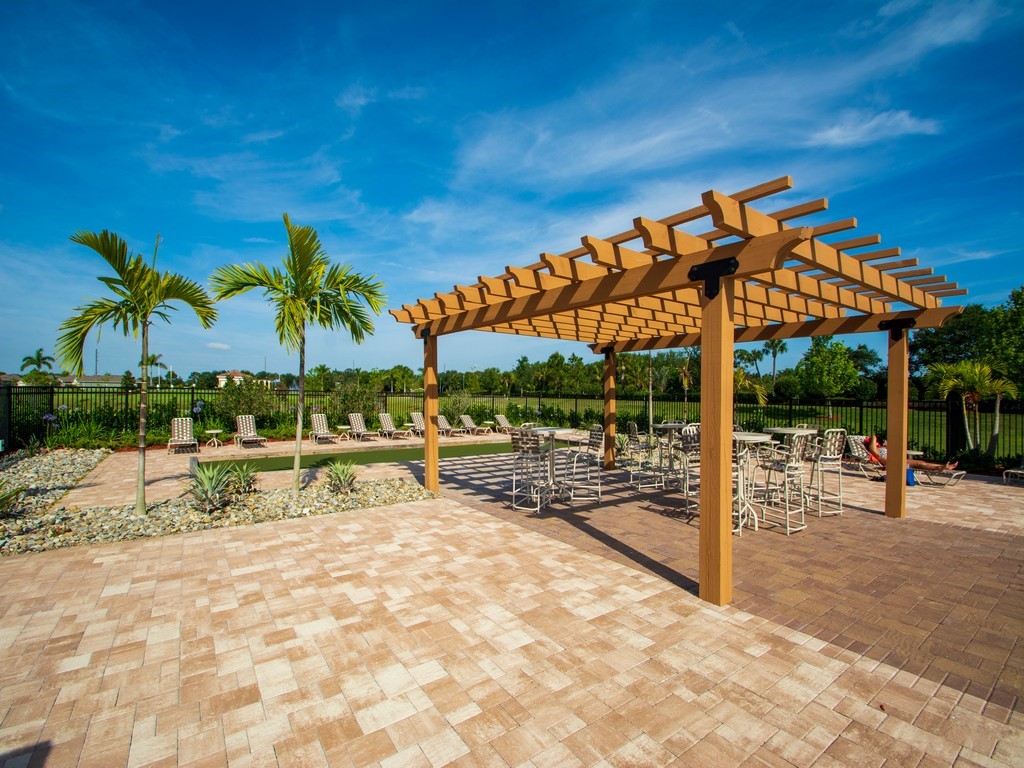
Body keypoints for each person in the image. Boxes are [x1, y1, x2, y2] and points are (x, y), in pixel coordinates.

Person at [865, 436, 959, 472]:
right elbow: (872, 448)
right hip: (892, 463)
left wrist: (886, 445)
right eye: (885, 441)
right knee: (919, 464)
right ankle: (940, 468)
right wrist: (873, 437)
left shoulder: (884, 449)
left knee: (920, 462)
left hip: (897, 460)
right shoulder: (877, 451)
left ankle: (942, 466)